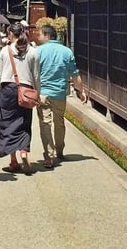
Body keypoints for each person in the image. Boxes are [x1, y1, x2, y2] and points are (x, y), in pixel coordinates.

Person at [36, 24, 88, 168]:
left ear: (46, 35)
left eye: (39, 34)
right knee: (59, 122)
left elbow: (33, 73)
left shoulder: (38, 51)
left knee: (45, 123)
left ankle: (49, 155)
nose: (38, 37)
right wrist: (81, 91)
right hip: (59, 93)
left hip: (43, 93)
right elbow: (74, 73)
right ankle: (59, 150)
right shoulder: (66, 52)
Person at [0, 23, 39, 174]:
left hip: (7, 89)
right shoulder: (33, 51)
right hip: (26, 90)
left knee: (7, 123)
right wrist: (37, 91)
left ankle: (13, 160)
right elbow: (36, 75)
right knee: (24, 122)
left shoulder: (5, 51)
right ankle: (24, 151)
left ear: (11, 35)